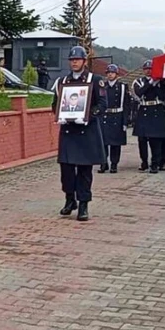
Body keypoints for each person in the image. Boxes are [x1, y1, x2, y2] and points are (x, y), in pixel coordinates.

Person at [51, 46, 106, 221]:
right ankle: (70, 199)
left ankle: (83, 204)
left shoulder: (94, 80)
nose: (74, 62)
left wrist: (88, 116)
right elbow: (55, 104)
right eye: (72, 60)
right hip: (68, 131)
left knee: (84, 171)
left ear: (84, 61)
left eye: (77, 59)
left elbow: (102, 104)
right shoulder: (62, 81)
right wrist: (60, 115)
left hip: (86, 131)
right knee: (66, 170)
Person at [132, 60, 165, 173]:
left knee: (156, 140)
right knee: (142, 140)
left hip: (156, 109)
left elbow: (163, 96)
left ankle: (155, 163)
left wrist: (156, 84)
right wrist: (150, 83)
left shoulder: (161, 82)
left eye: (150, 69)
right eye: (146, 69)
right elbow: (140, 92)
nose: (148, 71)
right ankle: (144, 161)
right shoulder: (138, 81)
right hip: (144, 109)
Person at [98, 64, 128, 174]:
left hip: (117, 116)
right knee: (103, 142)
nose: (110, 74)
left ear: (116, 74)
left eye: (112, 72)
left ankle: (114, 164)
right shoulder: (103, 86)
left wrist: (125, 121)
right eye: (108, 73)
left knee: (115, 143)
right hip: (105, 116)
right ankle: (103, 163)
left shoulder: (122, 87)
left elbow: (126, 105)